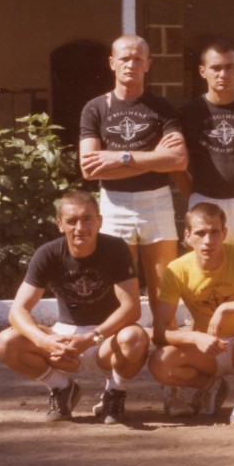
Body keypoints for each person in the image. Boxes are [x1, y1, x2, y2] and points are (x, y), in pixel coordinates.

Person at [0, 191, 149, 425]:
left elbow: (131, 308)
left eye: (87, 219)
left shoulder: (116, 249)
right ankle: (62, 387)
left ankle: (114, 394)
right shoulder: (48, 253)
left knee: (135, 337)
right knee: (6, 342)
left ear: (99, 221)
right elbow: (18, 311)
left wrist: (91, 338)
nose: (80, 227)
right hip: (64, 335)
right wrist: (43, 341)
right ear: (60, 225)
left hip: (105, 338)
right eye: (72, 220)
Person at [79, 34, 187, 317]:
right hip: (115, 204)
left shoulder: (162, 107)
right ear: (112, 63)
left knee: (164, 290)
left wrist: (120, 157)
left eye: (138, 59)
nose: (131, 64)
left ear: (148, 64)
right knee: (119, 296)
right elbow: (90, 168)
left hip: (157, 201)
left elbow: (178, 159)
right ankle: (125, 355)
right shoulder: (96, 108)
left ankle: (165, 347)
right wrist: (154, 159)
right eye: (125, 58)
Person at [148, 202, 234, 426]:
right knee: (160, 363)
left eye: (214, 232)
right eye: (200, 233)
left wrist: (226, 308)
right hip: (207, 349)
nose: (208, 241)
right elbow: (159, 331)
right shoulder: (177, 269)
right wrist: (194, 337)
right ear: (188, 235)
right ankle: (211, 387)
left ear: (224, 233)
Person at [176, 41, 234, 262]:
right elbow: (174, 164)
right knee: (203, 277)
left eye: (229, 67)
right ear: (202, 71)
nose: (223, 73)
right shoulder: (188, 112)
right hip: (205, 202)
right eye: (216, 68)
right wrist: (196, 195)